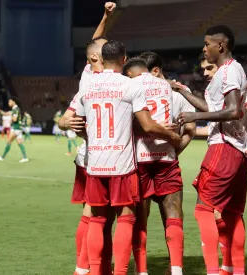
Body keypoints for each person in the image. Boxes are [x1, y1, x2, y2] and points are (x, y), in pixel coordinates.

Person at [71, 40, 181, 275]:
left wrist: (93, 138)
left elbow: (75, 124)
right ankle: (120, 272)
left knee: (97, 220)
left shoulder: (88, 85)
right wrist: (171, 134)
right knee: (126, 218)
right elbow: (148, 126)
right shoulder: (130, 86)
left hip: (96, 163)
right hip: (122, 163)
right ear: (123, 59)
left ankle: (87, 270)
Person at [175, 25, 247, 275]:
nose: (204, 48)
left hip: (224, 147)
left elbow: (233, 110)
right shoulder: (228, 72)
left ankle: (213, 271)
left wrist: (196, 115)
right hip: (237, 150)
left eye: (207, 44)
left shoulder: (228, 73)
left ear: (221, 46)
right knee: (233, 214)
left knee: (203, 210)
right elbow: (213, 106)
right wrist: (184, 93)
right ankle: (233, 269)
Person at [58, 3, 117, 275]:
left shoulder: (91, 76)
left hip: (89, 155)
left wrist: (106, 17)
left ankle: (86, 267)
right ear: (96, 58)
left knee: (91, 214)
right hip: (104, 157)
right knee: (102, 216)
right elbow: (96, 45)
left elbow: (95, 43)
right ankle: (92, 267)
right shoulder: (99, 78)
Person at [123, 56, 194, 275]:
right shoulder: (171, 88)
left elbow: (124, 123)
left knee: (140, 219)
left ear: (133, 73)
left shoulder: (130, 86)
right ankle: (176, 269)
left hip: (140, 160)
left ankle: (141, 271)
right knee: (174, 215)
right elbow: (190, 127)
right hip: (167, 159)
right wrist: (175, 145)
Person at [199, 55, 247, 192]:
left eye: (209, 68)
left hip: (235, 144)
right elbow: (211, 126)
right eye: (204, 70)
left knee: (208, 196)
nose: (205, 73)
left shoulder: (236, 91)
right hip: (229, 147)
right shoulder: (214, 93)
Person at [0, 98, 29, 163]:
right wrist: (0, 111)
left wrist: (11, 117)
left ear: (14, 102)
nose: (9, 103)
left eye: (10, 101)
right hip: (19, 129)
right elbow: (5, 113)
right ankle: (25, 158)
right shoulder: (15, 109)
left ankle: (2, 157)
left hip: (16, 128)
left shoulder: (15, 110)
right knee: (19, 143)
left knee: (9, 141)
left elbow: (15, 119)